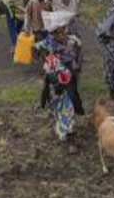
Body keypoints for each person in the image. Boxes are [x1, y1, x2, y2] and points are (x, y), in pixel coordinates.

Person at [36, 18, 84, 146]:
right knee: (57, 108)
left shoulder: (72, 42)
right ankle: (63, 130)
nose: (60, 35)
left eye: (62, 31)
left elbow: (79, 58)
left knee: (69, 108)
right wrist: (46, 59)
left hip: (68, 83)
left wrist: (76, 67)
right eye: (56, 33)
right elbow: (35, 49)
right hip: (54, 84)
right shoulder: (48, 43)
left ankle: (70, 136)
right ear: (52, 34)